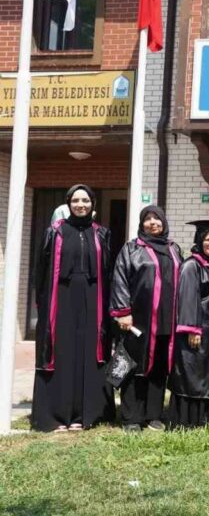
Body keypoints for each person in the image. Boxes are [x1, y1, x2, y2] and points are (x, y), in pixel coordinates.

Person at [31, 184, 115, 432]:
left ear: (93, 204)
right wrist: (43, 305)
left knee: (89, 351)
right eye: (76, 200)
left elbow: (108, 272)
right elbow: (41, 271)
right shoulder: (54, 232)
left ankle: (86, 414)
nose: (81, 205)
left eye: (85, 200)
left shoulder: (102, 234)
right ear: (68, 204)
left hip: (93, 299)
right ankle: (57, 415)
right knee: (63, 351)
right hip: (61, 300)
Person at [110, 205, 182, 432]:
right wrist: (123, 312)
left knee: (159, 368)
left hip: (167, 321)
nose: (153, 223)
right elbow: (120, 279)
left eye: (157, 218)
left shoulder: (174, 249)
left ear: (164, 222)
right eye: (148, 219)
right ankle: (131, 417)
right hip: (138, 321)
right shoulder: (131, 248)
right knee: (134, 367)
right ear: (142, 224)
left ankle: (153, 415)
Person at [168, 220, 209, 428]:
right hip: (197, 331)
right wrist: (192, 328)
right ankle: (191, 419)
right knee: (193, 374)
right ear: (199, 241)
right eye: (208, 239)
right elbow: (187, 298)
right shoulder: (191, 266)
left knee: (206, 373)